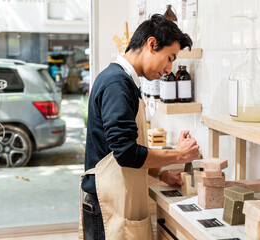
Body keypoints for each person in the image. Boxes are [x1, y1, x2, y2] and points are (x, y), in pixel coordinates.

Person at [79, 14, 199, 240]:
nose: (169, 69)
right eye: (169, 57)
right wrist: (178, 154)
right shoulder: (117, 83)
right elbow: (126, 154)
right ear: (151, 44)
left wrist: (162, 174)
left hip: (115, 200)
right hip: (108, 208)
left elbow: (119, 150)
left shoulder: (123, 80)